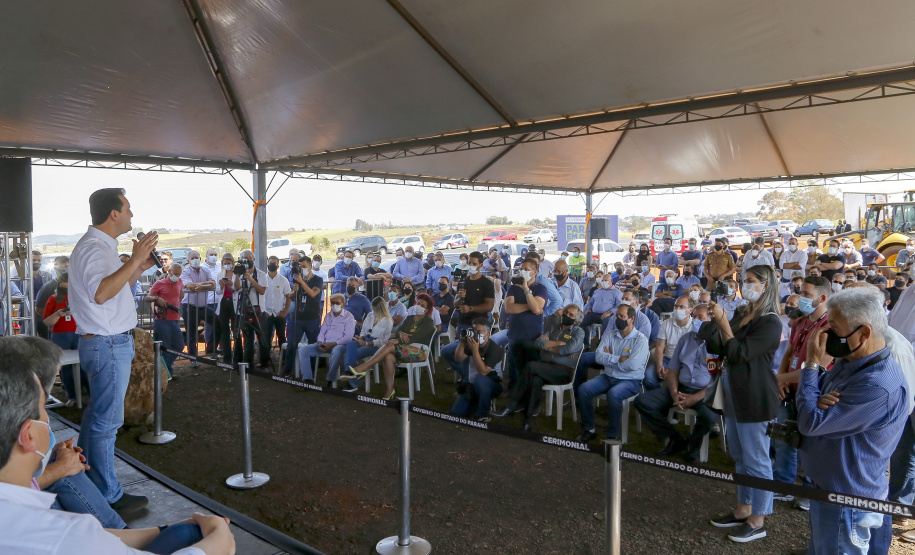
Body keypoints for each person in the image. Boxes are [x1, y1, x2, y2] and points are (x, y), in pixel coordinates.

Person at [0, 355, 236, 554]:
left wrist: (175, 528)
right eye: (43, 409)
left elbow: (94, 537)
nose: (48, 419)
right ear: (28, 435)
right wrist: (218, 538)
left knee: (188, 533)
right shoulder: (61, 536)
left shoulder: (48, 525)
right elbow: (75, 537)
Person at [798, 287, 909, 553]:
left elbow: (810, 422)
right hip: (829, 490)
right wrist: (816, 398)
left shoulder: (877, 385)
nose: (824, 335)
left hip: (847, 501)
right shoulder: (851, 362)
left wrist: (812, 364)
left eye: (834, 327)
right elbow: (814, 406)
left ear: (864, 333)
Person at [68, 188, 157, 511]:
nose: (132, 215)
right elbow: (102, 294)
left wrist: (138, 269)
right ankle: (108, 495)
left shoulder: (101, 247)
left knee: (97, 419)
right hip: (107, 344)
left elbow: (115, 290)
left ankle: (89, 482)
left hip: (107, 342)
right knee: (107, 423)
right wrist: (133, 260)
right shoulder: (94, 248)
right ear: (114, 214)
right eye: (128, 209)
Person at [705, 265, 782, 543]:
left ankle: (758, 518)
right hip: (734, 391)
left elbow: (739, 352)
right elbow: (719, 346)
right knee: (739, 455)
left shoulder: (771, 322)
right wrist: (716, 320)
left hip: (755, 395)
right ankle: (742, 508)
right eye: (743, 280)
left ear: (766, 285)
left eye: (750, 281)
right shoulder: (742, 313)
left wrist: (725, 324)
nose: (744, 285)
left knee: (758, 459)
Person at [634, 318, 715, 463]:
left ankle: (693, 446)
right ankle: (674, 438)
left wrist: (695, 398)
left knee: (709, 417)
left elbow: (718, 380)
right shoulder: (686, 339)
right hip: (681, 388)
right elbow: (673, 369)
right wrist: (674, 393)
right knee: (643, 401)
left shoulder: (718, 345)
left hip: (706, 393)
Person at [495, 304, 585, 430]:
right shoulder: (554, 327)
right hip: (546, 367)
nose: (566, 316)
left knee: (531, 366)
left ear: (576, 320)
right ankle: (528, 419)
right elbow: (538, 343)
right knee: (535, 380)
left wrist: (548, 346)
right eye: (565, 313)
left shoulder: (578, 332)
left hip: (563, 371)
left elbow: (567, 349)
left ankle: (512, 404)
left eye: (571, 315)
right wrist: (556, 344)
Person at [575, 304, 649, 442]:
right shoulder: (610, 335)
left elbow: (633, 365)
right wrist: (619, 358)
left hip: (631, 381)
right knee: (584, 389)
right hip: (608, 377)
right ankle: (589, 428)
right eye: (617, 315)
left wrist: (610, 359)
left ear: (632, 319)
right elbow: (598, 357)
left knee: (614, 394)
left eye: (622, 316)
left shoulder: (640, 340)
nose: (618, 319)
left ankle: (613, 434)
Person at [346, 294, 437, 399]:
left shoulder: (428, 322)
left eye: (422, 305)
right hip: (403, 348)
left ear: (426, 310)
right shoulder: (410, 318)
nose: (419, 306)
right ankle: (390, 389)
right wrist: (401, 334)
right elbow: (398, 331)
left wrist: (397, 340)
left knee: (389, 344)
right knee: (388, 357)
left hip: (419, 352)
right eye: (418, 303)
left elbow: (414, 338)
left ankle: (365, 367)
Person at [442, 252, 495, 381]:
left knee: (470, 353)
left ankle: (470, 381)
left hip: (478, 325)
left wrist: (471, 308)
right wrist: (459, 298)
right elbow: (455, 304)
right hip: (463, 323)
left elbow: (489, 306)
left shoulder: (486, 283)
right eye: (470, 262)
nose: (470, 265)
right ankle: (466, 377)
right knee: (449, 352)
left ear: (481, 265)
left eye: (474, 263)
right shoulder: (463, 280)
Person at [42, 272, 87, 405]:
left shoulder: (81, 297)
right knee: (65, 368)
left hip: (79, 333)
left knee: (84, 365)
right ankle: (72, 395)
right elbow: (47, 322)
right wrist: (57, 314)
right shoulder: (53, 299)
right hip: (59, 336)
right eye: (63, 287)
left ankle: (87, 394)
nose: (67, 290)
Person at [449, 317, 506, 422]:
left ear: (487, 333)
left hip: (492, 384)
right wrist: (462, 342)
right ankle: (476, 404)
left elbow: (483, 371)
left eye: (478, 331)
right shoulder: (471, 343)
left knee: (481, 379)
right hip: (472, 384)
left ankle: (483, 414)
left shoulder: (495, 349)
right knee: (456, 412)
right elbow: (458, 358)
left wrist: (475, 350)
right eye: (473, 330)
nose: (475, 334)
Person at [504, 259, 548, 389]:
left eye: (526, 269)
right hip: (515, 335)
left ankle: (531, 396)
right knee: (515, 369)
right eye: (521, 269)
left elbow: (536, 309)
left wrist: (526, 290)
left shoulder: (541, 288)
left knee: (531, 369)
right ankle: (514, 395)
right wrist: (531, 305)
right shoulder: (513, 287)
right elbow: (509, 308)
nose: (522, 272)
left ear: (534, 272)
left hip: (532, 337)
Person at [297, 294, 355, 385]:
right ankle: (307, 379)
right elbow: (322, 331)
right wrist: (320, 342)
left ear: (343, 304)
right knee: (303, 350)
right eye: (332, 303)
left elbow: (348, 336)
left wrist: (334, 343)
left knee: (337, 351)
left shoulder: (349, 317)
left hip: (340, 345)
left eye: (337, 303)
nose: (334, 305)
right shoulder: (328, 316)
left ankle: (330, 379)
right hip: (324, 344)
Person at [339, 297, 393, 391]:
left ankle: (352, 381)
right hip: (365, 339)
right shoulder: (370, 315)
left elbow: (383, 341)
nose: (374, 311)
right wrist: (361, 337)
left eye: (375, 309)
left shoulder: (388, 321)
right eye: (373, 309)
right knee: (350, 345)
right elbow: (363, 330)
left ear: (381, 309)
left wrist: (367, 343)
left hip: (376, 345)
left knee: (355, 352)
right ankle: (350, 373)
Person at [284, 255, 323, 377]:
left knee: (312, 345)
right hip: (297, 317)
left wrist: (301, 282)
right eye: (300, 267)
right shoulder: (297, 279)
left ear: (310, 267)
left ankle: (310, 371)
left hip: (312, 318)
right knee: (291, 344)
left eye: (304, 266)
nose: (302, 269)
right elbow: (291, 296)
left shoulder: (317, 280)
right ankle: (288, 371)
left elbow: (313, 293)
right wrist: (294, 290)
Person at [644, 296, 695, 390]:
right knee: (648, 377)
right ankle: (658, 395)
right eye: (676, 306)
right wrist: (660, 365)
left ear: (690, 310)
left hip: (684, 362)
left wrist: (673, 371)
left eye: (681, 307)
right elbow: (659, 347)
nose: (677, 309)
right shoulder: (666, 323)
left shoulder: (693, 327)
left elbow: (691, 354)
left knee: (684, 380)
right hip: (667, 359)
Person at [144, 263, 186, 376]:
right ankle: (166, 372)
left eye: (179, 274)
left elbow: (180, 295)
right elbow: (147, 297)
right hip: (162, 320)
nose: (177, 276)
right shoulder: (159, 283)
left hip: (175, 319)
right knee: (165, 347)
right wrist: (156, 298)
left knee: (179, 345)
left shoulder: (180, 282)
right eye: (176, 273)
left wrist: (181, 294)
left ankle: (164, 369)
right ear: (169, 272)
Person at [180, 250, 216, 363]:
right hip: (189, 307)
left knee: (218, 322)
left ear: (200, 259)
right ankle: (193, 359)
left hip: (203, 306)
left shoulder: (205, 270)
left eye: (197, 257)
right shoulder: (185, 272)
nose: (195, 260)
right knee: (191, 333)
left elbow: (213, 284)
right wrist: (205, 285)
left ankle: (212, 350)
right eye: (193, 258)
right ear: (188, 260)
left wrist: (200, 286)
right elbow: (190, 286)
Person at [233, 249, 267, 367]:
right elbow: (237, 288)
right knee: (247, 338)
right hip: (244, 310)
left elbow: (262, 291)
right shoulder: (239, 274)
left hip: (259, 309)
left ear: (253, 260)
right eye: (244, 260)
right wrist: (237, 275)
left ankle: (264, 363)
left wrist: (250, 278)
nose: (247, 262)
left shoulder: (261, 274)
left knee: (262, 338)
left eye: (249, 259)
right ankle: (248, 364)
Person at [256, 255, 291, 369]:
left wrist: (285, 311)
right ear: (267, 265)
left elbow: (288, 296)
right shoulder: (262, 279)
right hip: (266, 314)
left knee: (282, 337)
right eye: (271, 262)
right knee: (265, 338)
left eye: (275, 263)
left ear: (278, 265)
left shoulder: (283, 280)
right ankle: (264, 362)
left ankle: (285, 361)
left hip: (279, 313)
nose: (272, 264)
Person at [35, 256, 70, 339]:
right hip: (56, 331)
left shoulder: (77, 286)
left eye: (66, 267)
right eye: (61, 268)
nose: (64, 270)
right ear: (55, 269)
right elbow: (39, 309)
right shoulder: (48, 287)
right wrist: (53, 318)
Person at [213, 254, 237, 364]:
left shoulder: (237, 274)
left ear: (232, 263)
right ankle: (227, 359)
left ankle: (237, 357)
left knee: (235, 330)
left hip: (234, 303)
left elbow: (239, 289)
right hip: (223, 303)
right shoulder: (220, 274)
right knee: (225, 332)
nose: (227, 265)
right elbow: (218, 291)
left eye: (229, 263)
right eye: (225, 263)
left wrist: (231, 285)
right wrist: (222, 286)